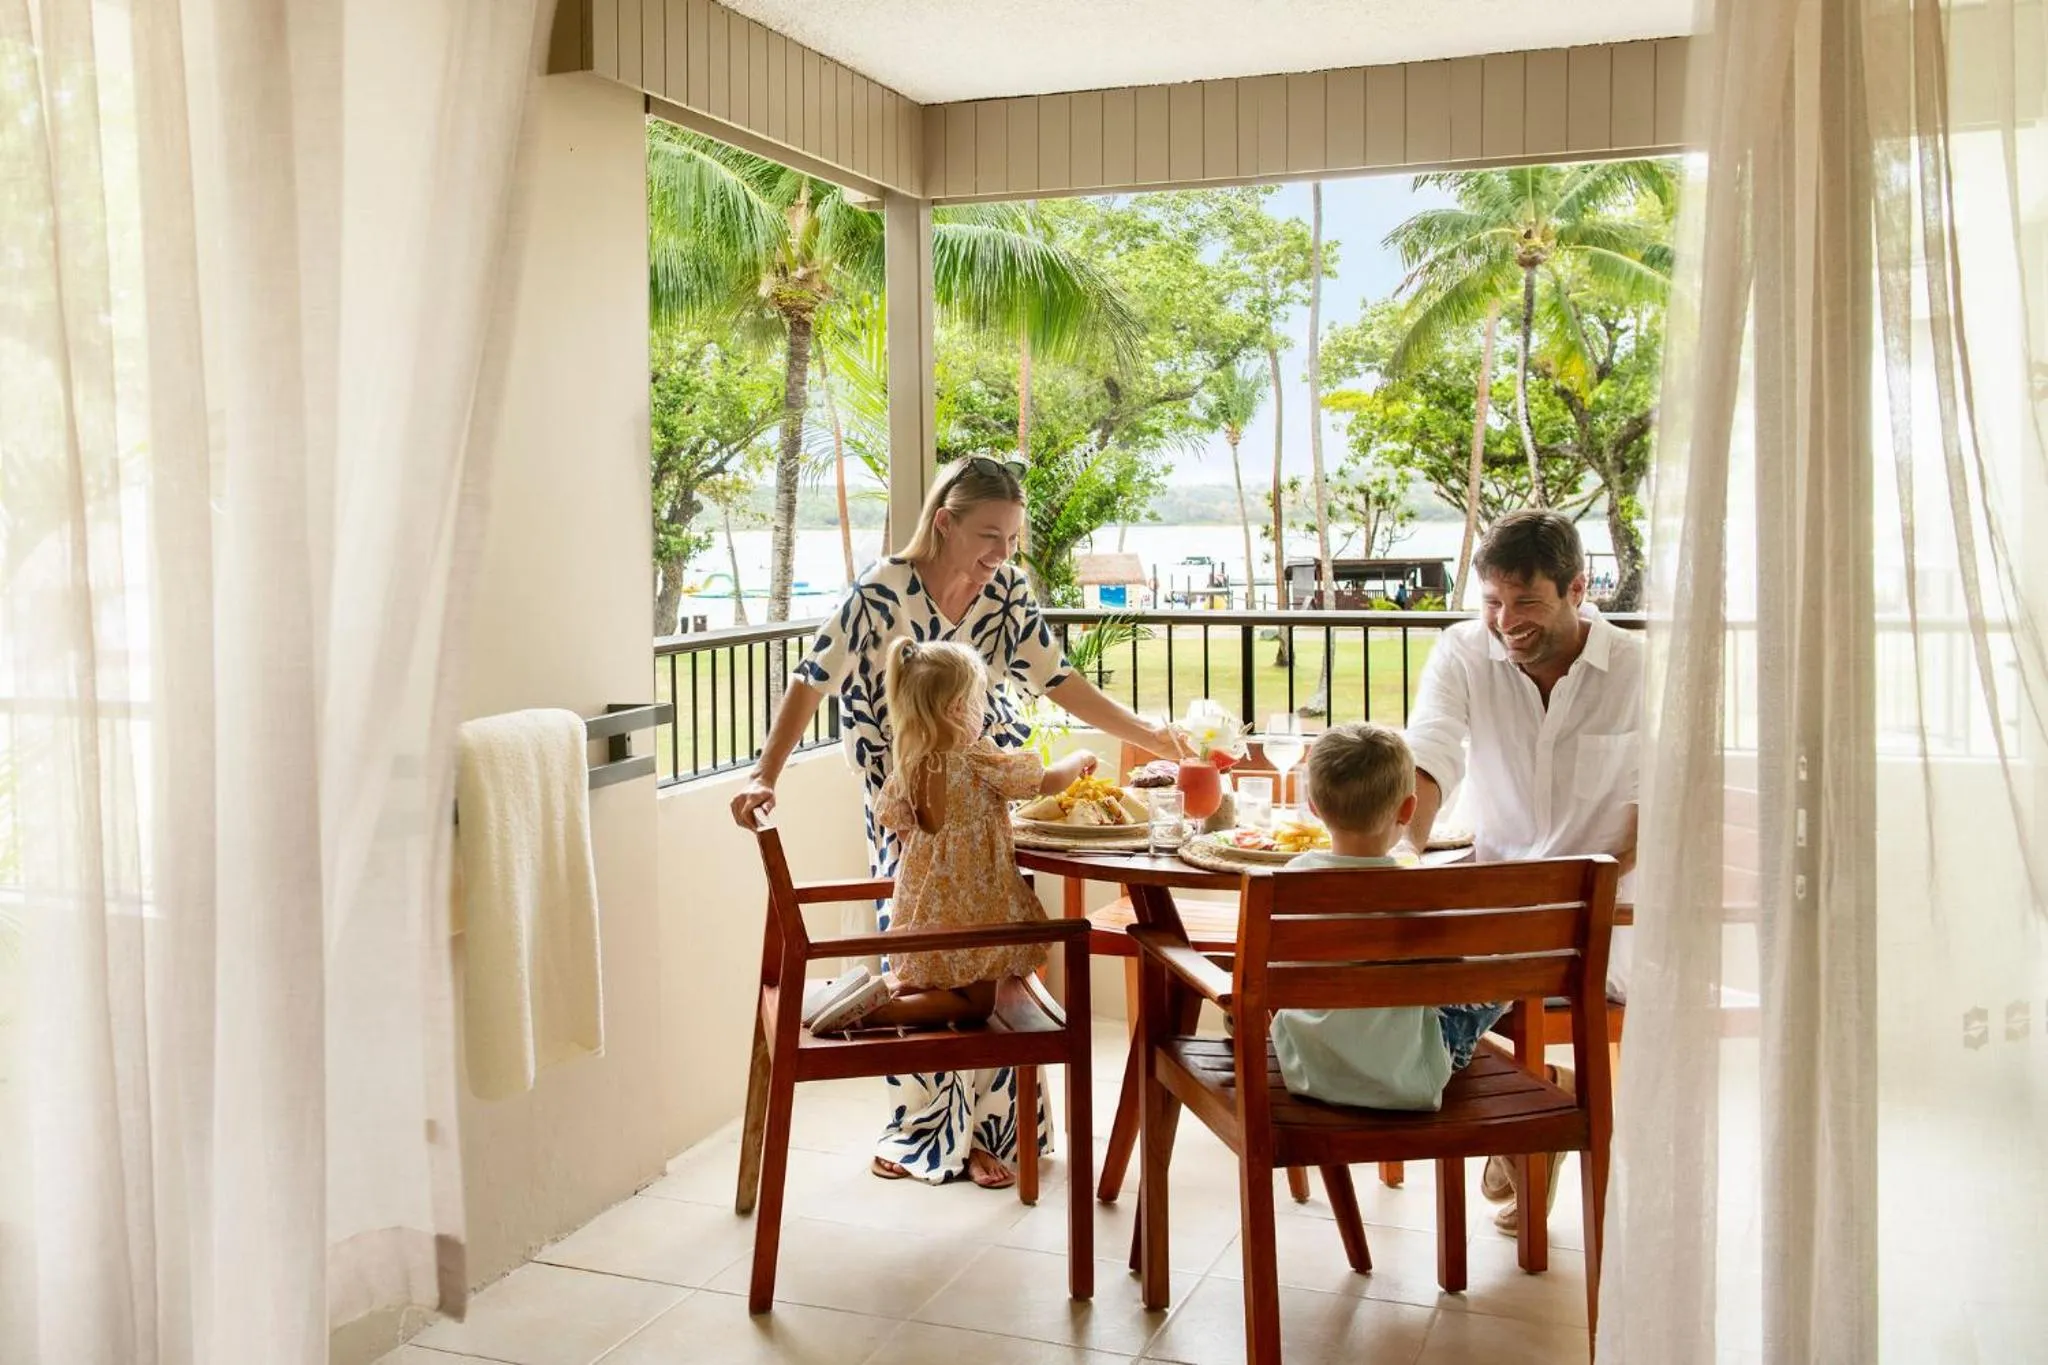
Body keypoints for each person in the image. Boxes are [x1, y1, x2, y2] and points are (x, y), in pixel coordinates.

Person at [730, 456, 1181, 1190]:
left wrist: (1149, 735)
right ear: (944, 522)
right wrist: (763, 774)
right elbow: (812, 678)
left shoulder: (1003, 593)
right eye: (988, 537)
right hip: (905, 812)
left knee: (994, 967)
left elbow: (1058, 679)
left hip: (989, 802)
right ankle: (924, 1132)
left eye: (1011, 539)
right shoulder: (881, 593)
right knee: (921, 961)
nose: (1001, 555)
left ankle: (999, 1133)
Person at [1401, 508, 1635, 1235]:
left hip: (1604, 920)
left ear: (1578, 587)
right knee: (1369, 966)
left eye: (1526, 601)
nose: (1505, 620)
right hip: (1494, 910)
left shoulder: (1641, 671)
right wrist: (1405, 850)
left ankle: (1529, 1110)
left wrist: (1578, 893)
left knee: (1411, 989)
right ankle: (1540, 1091)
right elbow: (1432, 753)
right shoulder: (1465, 652)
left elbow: (1670, 813)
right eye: (1492, 601)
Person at [818, 640, 1099, 1046]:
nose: (983, 711)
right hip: (976, 913)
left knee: (944, 985)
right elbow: (1048, 781)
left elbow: (901, 830)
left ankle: (885, 991)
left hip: (924, 910)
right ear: (956, 709)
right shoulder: (977, 761)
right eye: (979, 700)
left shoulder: (911, 767)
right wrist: (1082, 757)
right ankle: (880, 1011)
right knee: (977, 1006)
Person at [1267, 724, 1511, 1110]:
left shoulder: (1288, 881)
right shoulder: (1418, 892)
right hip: (1406, 1077)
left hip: (1307, 1067)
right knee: (1500, 969)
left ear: (1314, 807)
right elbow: (1450, 970)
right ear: (1409, 808)